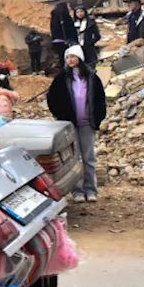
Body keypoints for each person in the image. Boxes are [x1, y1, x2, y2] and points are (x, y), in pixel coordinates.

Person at [46, 45, 107, 203]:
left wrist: (98, 118)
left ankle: (91, 189)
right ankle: (77, 191)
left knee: (89, 158)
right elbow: (52, 99)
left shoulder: (92, 78)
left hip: (88, 124)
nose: (70, 60)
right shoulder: (62, 78)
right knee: (74, 159)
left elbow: (100, 99)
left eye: (73, 57)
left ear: (79, 58)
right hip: (70, 125)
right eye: (68, 57)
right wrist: (61, 116)